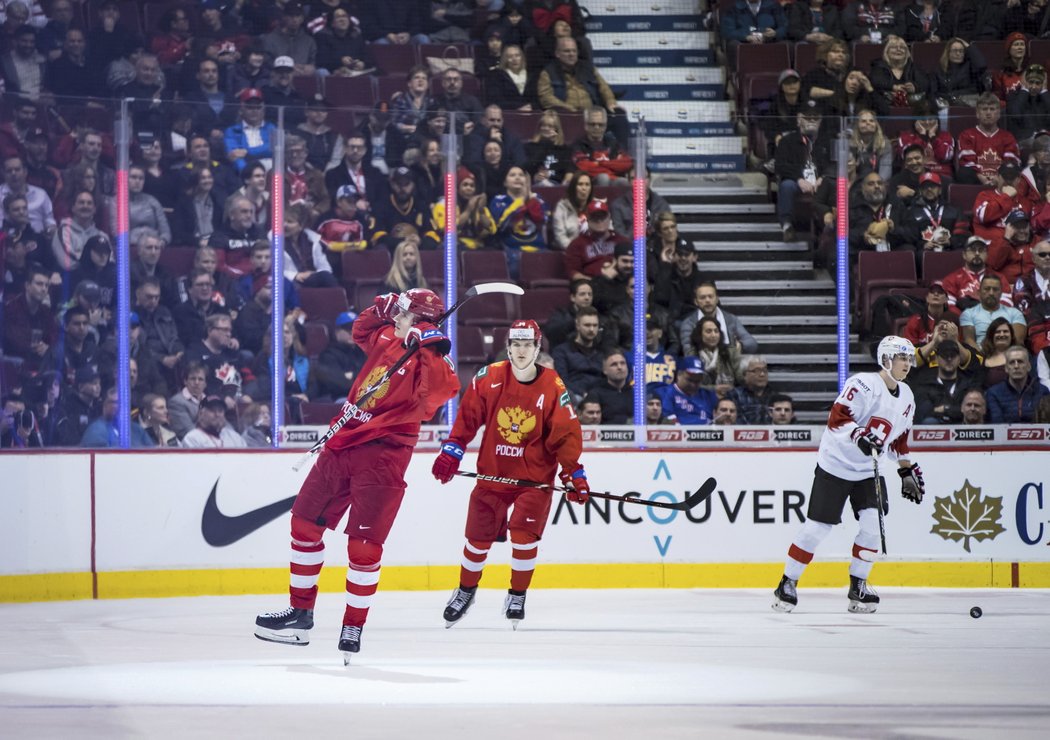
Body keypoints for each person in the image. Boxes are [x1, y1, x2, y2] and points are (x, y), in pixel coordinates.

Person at [254, 288, 458, 660]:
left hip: (383, 456)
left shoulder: (428, 359)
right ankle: (300, 615)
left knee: (363, 547)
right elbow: (361, 329)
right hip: (343, 443)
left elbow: (439, 395)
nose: (395, 319)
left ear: (422, 322)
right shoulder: (388, 337)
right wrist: (385, 304)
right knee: (303, 524)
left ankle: (353, 625)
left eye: (403, 314)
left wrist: (428, 344)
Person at [431, 319, 588, 629]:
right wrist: (453, 448)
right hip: (493, 474)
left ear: (537, 347)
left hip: (534, 479)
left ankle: (517, 594)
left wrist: (573, 473)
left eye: (527, 344)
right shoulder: (488, 377)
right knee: (477, 538)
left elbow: (566, 434)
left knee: (524, 537)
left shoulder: (553, 385)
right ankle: (466, 591)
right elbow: (468, 416)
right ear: (507, 347)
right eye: (515, 344)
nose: (520, 350)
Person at [772, 336, 924, 614]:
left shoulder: (907, 397)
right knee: (818, 528)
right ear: (886, 359)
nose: (908, 364)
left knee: (873, 526)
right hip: (836, 465)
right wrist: (859, 436)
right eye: (903, 358)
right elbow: (838, 417)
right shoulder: (863, 384)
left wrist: (906, 468)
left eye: (909, 359)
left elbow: (899, 438)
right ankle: (787, 582)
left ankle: (859, 586)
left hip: (868, 470)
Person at [678, 282, 759, 356]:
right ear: (696, 302)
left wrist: (740, 346)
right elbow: (688, 352)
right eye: (703, 298)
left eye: (710, 296)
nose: (707, 300)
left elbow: (752, 344)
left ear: (717, 299)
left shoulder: (730, 319)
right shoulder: (689, 323)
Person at [913, 340, 980, 423]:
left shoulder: (969, 386)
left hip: (963, 431)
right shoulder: (924, 386)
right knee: (930, 421)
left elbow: (974, 412)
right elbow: (924, 413)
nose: (949, 359)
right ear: (936, 359)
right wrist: (957, 411)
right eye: (945, 356)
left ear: (959, 359)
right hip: (934, 432)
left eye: (953, 356)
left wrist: (944, 409)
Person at [563, 199, 628, 280]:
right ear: (587, 220)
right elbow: (573, 273)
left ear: (609, 218)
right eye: (595, 217)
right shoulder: (577, 244)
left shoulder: (622, 241)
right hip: (591, 286)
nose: (599, 221)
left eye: (602, 217)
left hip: (619, 284)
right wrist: (596, 283)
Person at [551, 305, 605, 400]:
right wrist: (583, 394)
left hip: (600, 396)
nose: (591, 329)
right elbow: (561, 380)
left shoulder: (603, 351)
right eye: (587, 325)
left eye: (595, 325)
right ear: (577, 325)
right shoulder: (561, 351)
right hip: (575, 396)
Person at [960, 274, 1027, 347]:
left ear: (1001, 293)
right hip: (980, 354)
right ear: (979, 292)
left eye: (995, 289)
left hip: (1008, 355)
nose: (991, 293)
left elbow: (1017, 342)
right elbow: (969, 341)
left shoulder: (1015, 313)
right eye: (987, 289)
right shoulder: (968, 314)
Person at [986, 345, 1049, 422]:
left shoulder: (1042, 391)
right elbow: (997, 424)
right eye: (1012, 362)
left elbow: (1045, 422)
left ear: (1029, 366)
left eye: (1020, 361)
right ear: (1006, 368)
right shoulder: (994, 393)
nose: (1016, 366)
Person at [651, 357, 717, 425]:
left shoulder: (708, 395)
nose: (693, 385)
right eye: (690, 380)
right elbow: (669, 421)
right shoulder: (664, 393)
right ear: (679, 375)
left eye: (697, 381)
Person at [181, 394, 248, 448]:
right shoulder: (192, 438)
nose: (217, 414)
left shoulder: (235, 437)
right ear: (201, 414)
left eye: (220, 411)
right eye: (212, 410)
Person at [726, 355, 776, 425]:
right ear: (744, 375)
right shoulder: (735, 395)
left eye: (764, 370)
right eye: (756, 371)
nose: (762, 374)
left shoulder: (774, 396)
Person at [550, 170, 594, 251]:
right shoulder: (562, 206)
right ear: (573, 187)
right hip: (570, 252)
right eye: (580, 184)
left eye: (587, 184)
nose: (584, 188)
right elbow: (560, 236)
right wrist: (576, 251)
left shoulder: (596, 206)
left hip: (593, 252)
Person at [590, 349, 632, 424]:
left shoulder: (637, 393)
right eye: (614, 364)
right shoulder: (596, 394)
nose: (619, 367)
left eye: (622, 363)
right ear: (604, 370)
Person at [167, 361, 207, 439]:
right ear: (185, 381)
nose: (196, 382)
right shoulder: (176, 402)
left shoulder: (211, 401)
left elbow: (225, 426)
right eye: (193, 379)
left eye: (201, 379)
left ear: (205, 383)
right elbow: (188, 433)